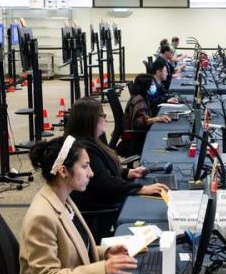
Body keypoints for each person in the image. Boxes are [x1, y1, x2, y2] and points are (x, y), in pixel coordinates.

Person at [5, 136, 138, 274]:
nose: (91, 173)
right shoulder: (42, 216)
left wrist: (105, 253)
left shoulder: (63, 197)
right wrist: (101, 269)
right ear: (63, 171)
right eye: (84, 166)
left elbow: (74, 248)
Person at [66, 97, 169, 239]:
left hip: (107, 196)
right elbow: (105, 183)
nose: (105, 118)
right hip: (102, 205)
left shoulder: (92, 140)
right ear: (89, 120)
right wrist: (141, 189)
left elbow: (103, 169)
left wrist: (128, 172)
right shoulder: (84, 149)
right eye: (101, 115)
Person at [122, 73, 171, 156]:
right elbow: (139, 123)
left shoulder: (142, 97)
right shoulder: (139, 100)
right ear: (145, 86)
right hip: (136, 139)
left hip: (138, 135)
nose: (154, 86)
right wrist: (157, 119)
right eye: (152, 85)